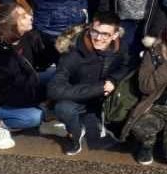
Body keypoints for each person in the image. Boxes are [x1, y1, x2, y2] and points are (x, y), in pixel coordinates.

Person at [0, 5, 63, 149]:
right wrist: (48, 100)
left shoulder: (27, 34)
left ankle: (46, 124)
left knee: (58, 75)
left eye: (27, 13)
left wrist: (64, 50)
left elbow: (49, 55)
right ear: (10, 26)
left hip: (27, 84)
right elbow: (12, 96)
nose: (30, 16)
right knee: (34, 117)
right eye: (23, 16)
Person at [48, 12, 130, 155]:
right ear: (90, 28)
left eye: (105, 34)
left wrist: (113, 80)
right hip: (79, 96)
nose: (98, 38)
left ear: (115, 35)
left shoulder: (120, 47)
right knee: (63, 108)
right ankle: (76, 132)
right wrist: (98, 88)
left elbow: (127, 66)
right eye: (95, 32)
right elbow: (53, 89)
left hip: (105, 98)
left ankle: (103, 124)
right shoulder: (73, 53)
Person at [122, 17, 167, 165]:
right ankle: (147, 144)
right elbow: (145, 86)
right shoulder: (154, 53)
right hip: (155, 107)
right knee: (139, 128)